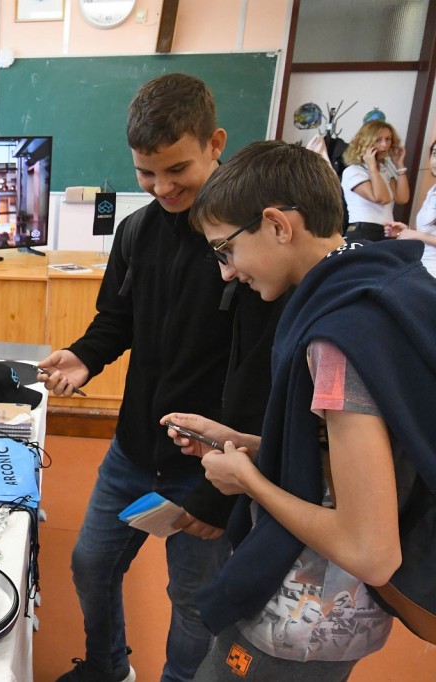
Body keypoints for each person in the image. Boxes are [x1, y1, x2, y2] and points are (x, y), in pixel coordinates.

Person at [38, 73, 282, 682]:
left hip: (210, 466)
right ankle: (107, 667)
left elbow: (260, 376)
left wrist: (219, 489)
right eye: (146, 173)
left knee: (195, 602)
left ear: (215, 144)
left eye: (177, 169)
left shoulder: (247, 246)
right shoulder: (135, 231)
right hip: (133, 451)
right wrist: (84, 356)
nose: (163, 187)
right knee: (91, 564)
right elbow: (116, 319)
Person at [163, 139, 436, 679]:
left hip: (305, 618)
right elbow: (357, 462)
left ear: (277, 225)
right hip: (342, 617)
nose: (226, 272)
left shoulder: (338, 340)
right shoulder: (388, 283)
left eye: (225, 250)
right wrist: (248, 446)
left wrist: (249, 480)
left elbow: (370, 550)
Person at [340, 120, 410, 244]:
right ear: (366, 143)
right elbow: (382, 198)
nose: (384, 145)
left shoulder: (384, 170)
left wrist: (399, 165)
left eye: (388, 139)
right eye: (378, 140)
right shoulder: (353, 171)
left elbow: (402, 198)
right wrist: (372, 168)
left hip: (386, 230)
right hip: (363, 230)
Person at [384, 138, 436, 276]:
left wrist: (416, 235)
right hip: (423, 268)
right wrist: (407, 231)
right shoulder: (433, 191)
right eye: (435, 154)